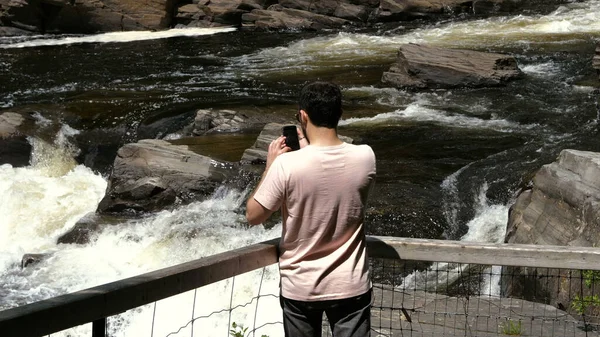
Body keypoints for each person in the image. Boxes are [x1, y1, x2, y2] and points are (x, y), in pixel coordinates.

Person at [246, 81, 376, 337]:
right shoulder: (366, 156)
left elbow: (254, 215)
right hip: (350, 284)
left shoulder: (286, 165)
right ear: (340, 114)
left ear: (303, 116)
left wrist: (271, 165)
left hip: (301, 286)